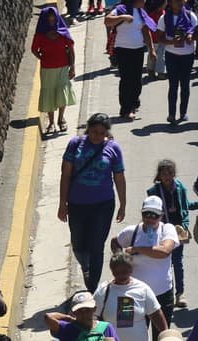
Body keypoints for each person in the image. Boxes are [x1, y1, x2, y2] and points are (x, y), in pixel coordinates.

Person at [59, 113, 128, 292]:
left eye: (102, 133)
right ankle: (85, 267)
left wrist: (123, 204)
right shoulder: (75, 145)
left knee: (97, 246)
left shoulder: (113, 148)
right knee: (78, 244)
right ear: (88, 128)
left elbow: (119, 178)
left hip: (103, 205)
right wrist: (62, 203)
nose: (97, 136)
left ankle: (92, 289)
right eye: (94, 131)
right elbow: (65, 175)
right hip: (76, 205)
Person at [111, 195, 179, 327]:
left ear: (161, 216)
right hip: (129, 293)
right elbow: (115, 241)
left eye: (154, 215)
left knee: (162, 334)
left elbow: (165, 251)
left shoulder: (167, 229)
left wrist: (137, 249)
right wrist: (120, 258)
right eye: (146, 214)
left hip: (162, 294)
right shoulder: (132, 231)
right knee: (126, 330)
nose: (150, 219)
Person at [146, 159, 198, 307]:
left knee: (177, 261)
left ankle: (180, 294)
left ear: (174, 174)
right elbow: (149, 214)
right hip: (161, 230)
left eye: (170, 173)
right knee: (162, 263)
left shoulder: (180, 188)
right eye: (164, 173)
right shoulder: (153, 192)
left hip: (178, 230)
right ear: (159, 175)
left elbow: (185, 206)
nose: (167, 176)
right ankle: (161, 293)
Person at [92, 252, 167, 341]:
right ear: (112, 271)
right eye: (117, 272)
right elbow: (93, 316)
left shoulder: (143, 289)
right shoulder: (103, 290)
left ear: (131, 269)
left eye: (124, 272)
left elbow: (155, 314)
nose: (121, 275)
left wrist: (166, 335)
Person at [32, 6, 77, 134]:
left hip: (63, 68)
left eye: (54, 20)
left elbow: (71, 49)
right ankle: (51, 122)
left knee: (62, 94)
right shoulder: (40, 36)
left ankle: (61, 119)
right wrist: (42, 58)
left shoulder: (63, 32)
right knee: (49, 95)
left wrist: (72, 67)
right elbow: (34, 49)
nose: (52, 23)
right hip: (47, 70)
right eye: (49, 20)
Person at [43, 290, 116, 339]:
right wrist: (69, 318)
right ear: (74, 312)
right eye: (80, 311)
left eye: (87, 310)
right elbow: (48, 317)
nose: (84, 314)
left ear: (94, 309)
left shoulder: (106, 327)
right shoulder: (68, 328)